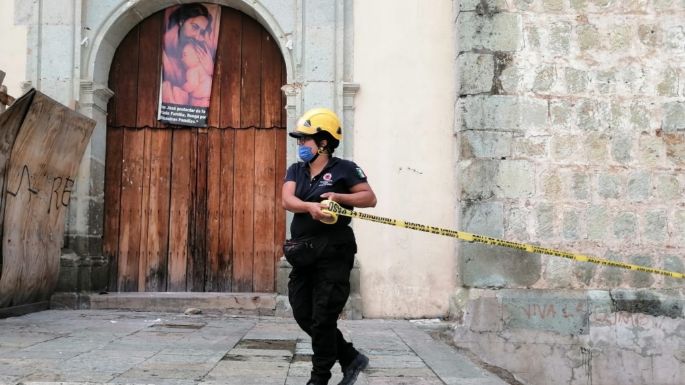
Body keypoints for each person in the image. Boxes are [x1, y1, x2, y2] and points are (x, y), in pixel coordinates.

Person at [282, 108, 377, 385]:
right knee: (303, 313)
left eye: (305, 140)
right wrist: (309, 207)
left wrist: (338, 196)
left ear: (324, 141)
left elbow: (369, 198)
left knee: (323, 316)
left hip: (334, 252)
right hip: (303, 252)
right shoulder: (296, 170)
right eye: (299, 140)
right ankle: (350, 356)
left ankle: (319, 378)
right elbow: (287, 200)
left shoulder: (345, 169)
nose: (300, 145)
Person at [161, 3, 215, 105]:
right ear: (182, 21)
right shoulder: (161, 49)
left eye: (201, 31)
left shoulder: (196, 49)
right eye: (195, 27)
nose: (197, 36)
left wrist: (210, 70)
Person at [178, 41, 213, 106]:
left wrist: (182, 88)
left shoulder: (192, 70)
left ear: (197, 56)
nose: (182, 59)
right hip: (206, 99)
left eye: (185, 55)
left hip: (202, 100)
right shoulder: (203, 68)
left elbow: (192, 84)